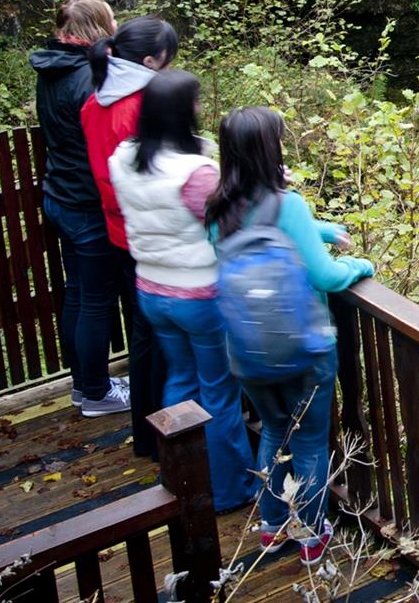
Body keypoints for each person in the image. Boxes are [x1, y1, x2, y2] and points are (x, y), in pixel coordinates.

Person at [206, 106, 373, 563]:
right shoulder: (289, 204)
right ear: (269, 149)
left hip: (246, 350)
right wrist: (360, 265)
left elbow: (241, 239)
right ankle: (312, 535)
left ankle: (272, 525)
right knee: (309, 442)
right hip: (304, 348)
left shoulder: (218, 208)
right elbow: (325, 276)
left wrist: (316, 228)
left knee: (274, 431)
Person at [108, 70, 255, 513]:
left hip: (152, 290)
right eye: (193, 102)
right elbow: (230, 225)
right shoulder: (194, 172)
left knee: (180, 380)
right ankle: (229, 490)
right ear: (181, 112)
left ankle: (182, 476)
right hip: (200, 295)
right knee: (219, 393)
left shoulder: (124, 158)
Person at [80, 16, 178, 457]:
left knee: (145, 333)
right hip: (153, 232)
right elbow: (166, 174)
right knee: (158, 335)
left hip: (119, 229)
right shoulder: (141, 105)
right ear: (149, 60)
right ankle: (165, 438)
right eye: (166, 61)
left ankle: (146, 434)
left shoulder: (94, 102)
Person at [31, 0, 128, 416]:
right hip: (87, 203)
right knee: (95, 301)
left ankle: (84, 384)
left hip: (60, 194)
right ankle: (95, 393)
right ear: (96, 29)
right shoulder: (88, 77)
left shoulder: (53, 67)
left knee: (78, 294)